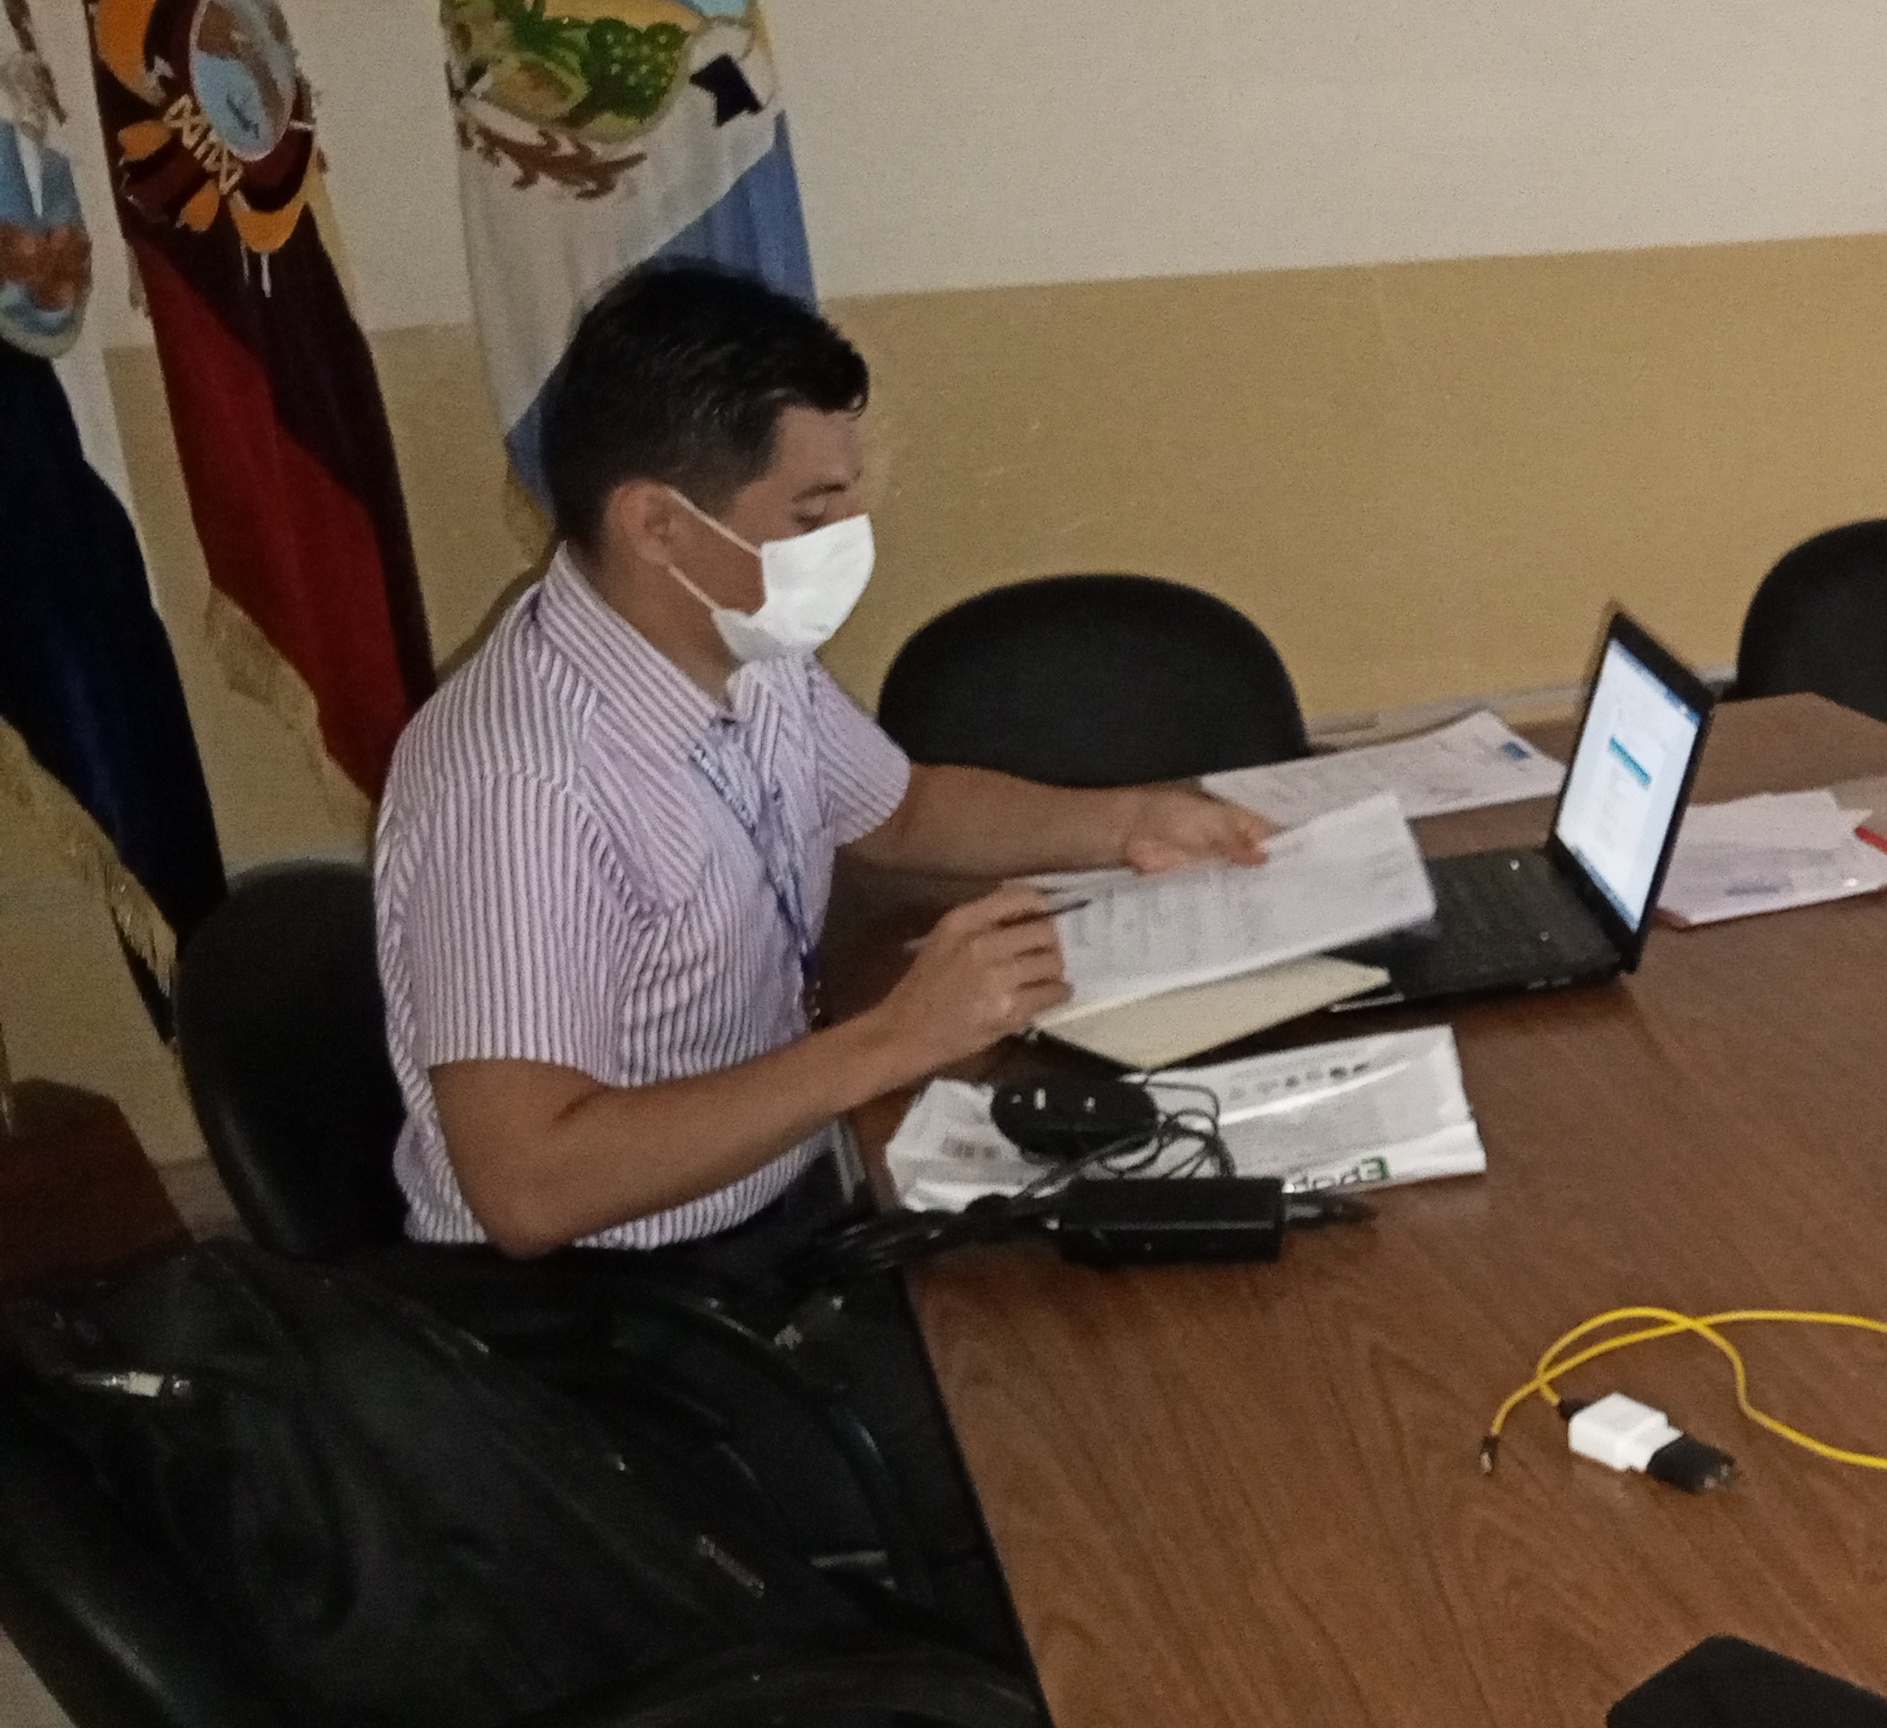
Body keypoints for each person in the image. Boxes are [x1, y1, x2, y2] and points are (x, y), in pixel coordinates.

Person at [371, 260, 1276, 1666]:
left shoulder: (734, 648)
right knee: (1064, 1478)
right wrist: (892, 1040)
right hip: (615, 1318)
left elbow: (900, 812)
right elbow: (529, 1186)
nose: (848, 538)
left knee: (1146, 1307)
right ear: (657, 523)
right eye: (811, 513)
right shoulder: (527, 786)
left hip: (777, 1197)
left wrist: (1126, 821)